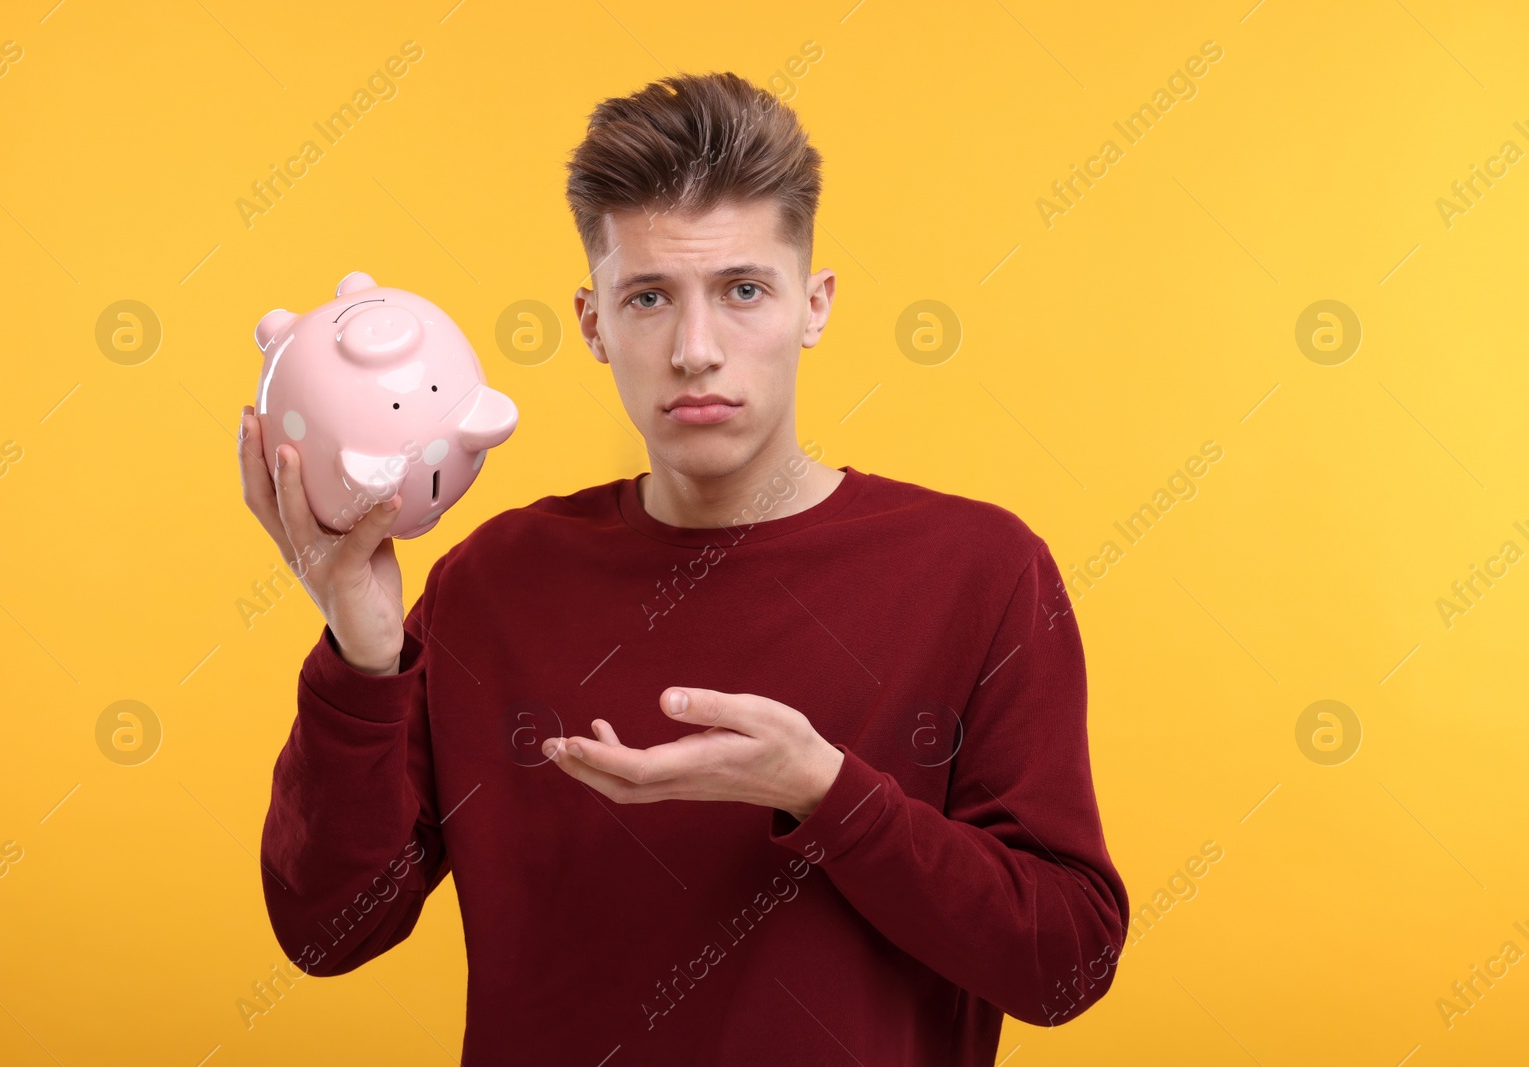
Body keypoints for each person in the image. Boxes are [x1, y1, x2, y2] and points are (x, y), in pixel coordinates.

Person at [237, 69, 1129, 1066]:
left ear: (813, 305)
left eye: (743, 290)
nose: (695, 349)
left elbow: (1065, 963)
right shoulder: (491, 583)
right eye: (649, 296)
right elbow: (326, 932)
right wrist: (360, 661)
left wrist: (826, 790)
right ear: (591, 323)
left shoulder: (982, 571)